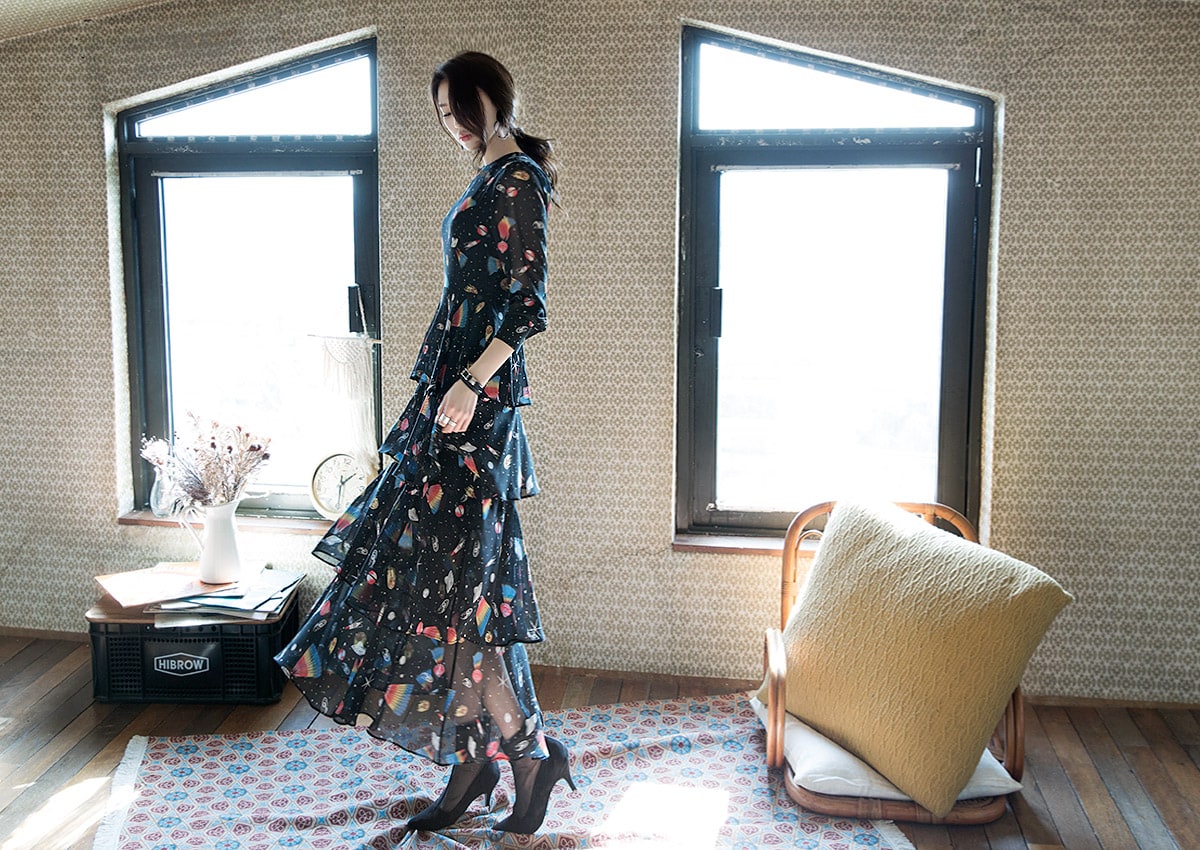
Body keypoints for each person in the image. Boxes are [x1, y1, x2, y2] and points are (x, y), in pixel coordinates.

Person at [275, 51, 571, 838]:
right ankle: (486, 759)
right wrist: (452, 387)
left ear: (496, 100)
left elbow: (529, 307)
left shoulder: (516, 181)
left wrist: (470, 382)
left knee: (456, 592)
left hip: (474, 410)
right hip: (450, 404)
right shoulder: (490, 179)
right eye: (442, 115)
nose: (453, 126)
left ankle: (521, 755)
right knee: (449, 593)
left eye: (460, 110)